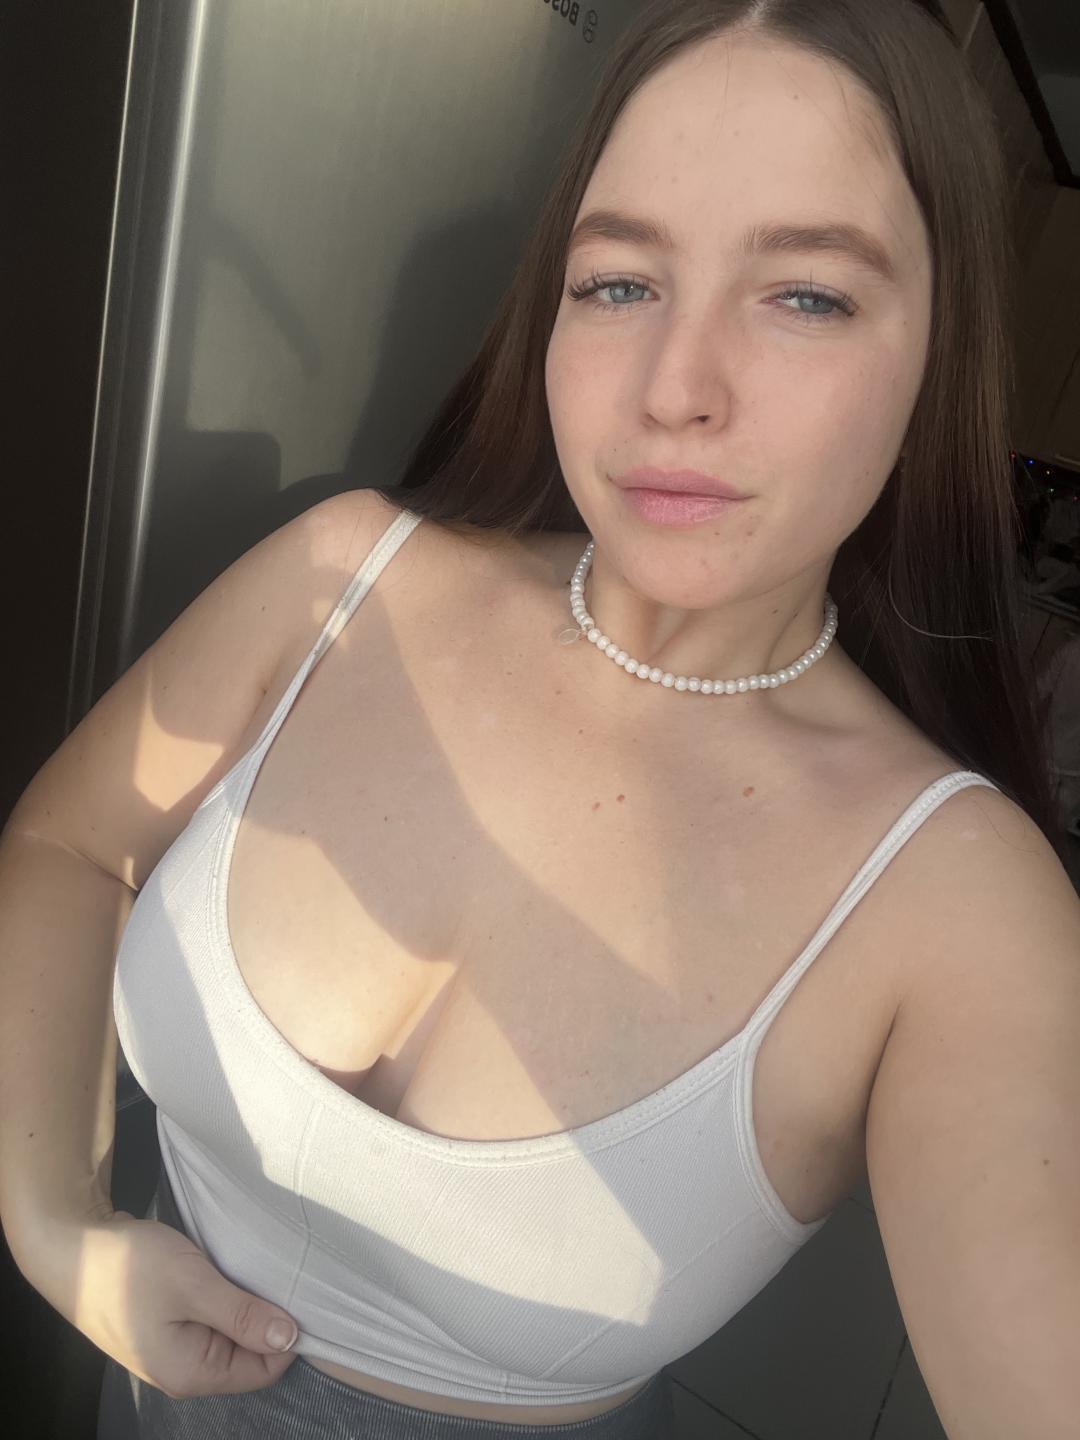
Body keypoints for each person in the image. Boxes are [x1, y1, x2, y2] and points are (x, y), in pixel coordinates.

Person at [2, 1, 1078, 1437]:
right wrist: (55, 1222)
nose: (674, 390)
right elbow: (71, 849)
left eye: (807, 296)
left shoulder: (959, 904)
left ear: (940, 352)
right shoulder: (342, 576)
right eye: (619, 282)